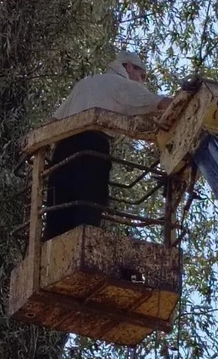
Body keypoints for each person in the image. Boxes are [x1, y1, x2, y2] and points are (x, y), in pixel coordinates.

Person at [43, 51, 171, 239]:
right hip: (91, 149)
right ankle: (84, 245)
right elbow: (157, 102)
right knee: (87, 214)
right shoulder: (121, 84)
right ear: (128, 67)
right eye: (141, 75)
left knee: (57, 217)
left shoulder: (86, 83)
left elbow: (53, 121)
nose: (142, 81)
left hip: (61, 156)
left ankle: (50, 257)